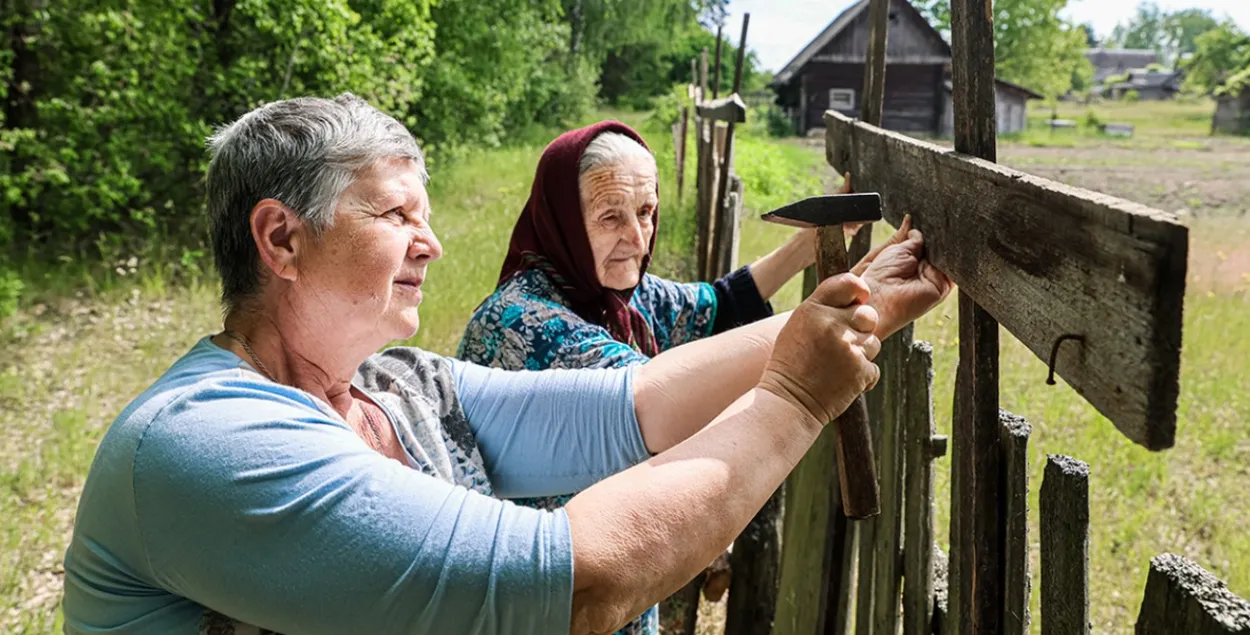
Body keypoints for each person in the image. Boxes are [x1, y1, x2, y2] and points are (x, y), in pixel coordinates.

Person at [61, 93, 951, 635]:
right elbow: (573, 583)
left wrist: (863, 296)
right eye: (396, 215)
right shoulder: (210, 439)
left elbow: (630, 405)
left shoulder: (396, 382)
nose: (434, 243)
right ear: (281, 238)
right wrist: (795, 398)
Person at [456, 121, 923, 634]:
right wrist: (862, 303)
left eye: (646, 211)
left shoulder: (614, 293)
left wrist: (806, 246)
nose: (636, 237)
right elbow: (655, 401)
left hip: (608, 588)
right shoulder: (521, 322)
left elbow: (716, 304)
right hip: (543, 604)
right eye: (610, 216)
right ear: (563, 218)